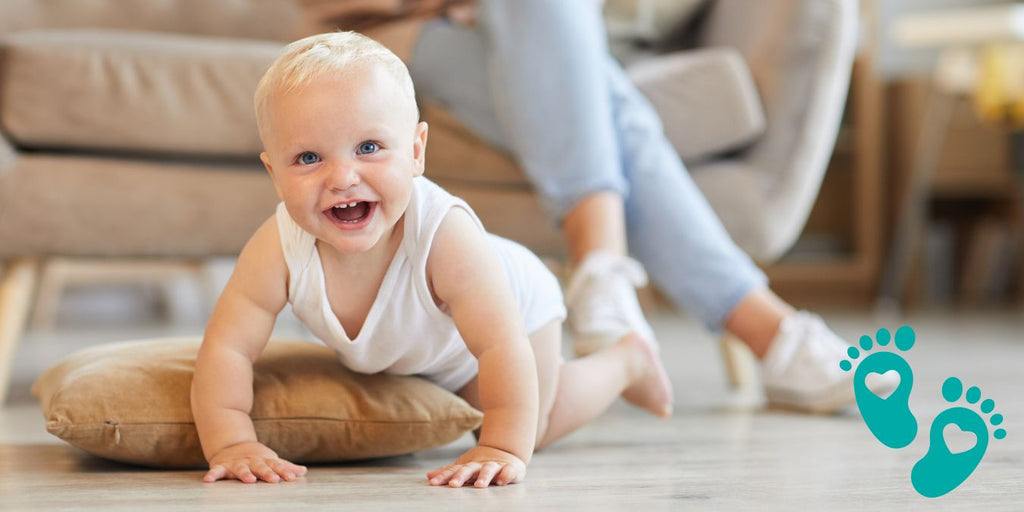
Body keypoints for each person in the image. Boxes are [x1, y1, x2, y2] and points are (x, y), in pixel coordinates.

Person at [318, 0, 889, 414]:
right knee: (607, 110)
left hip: (577, 41)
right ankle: (763, 329)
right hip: (426, 31)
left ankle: (602, 271)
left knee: (587, 89)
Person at [190, 31, 674, 488]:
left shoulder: (445, 236)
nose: (342, 177)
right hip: (417, 347)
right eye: (309, 158)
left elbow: (500, 347)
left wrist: (502, 448)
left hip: (514, 317)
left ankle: (626, 359)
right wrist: (231, 443)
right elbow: (228, 349)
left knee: (534, 428)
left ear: (417, 152)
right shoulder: (278, 246)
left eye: (369, 147)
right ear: (275, 174)